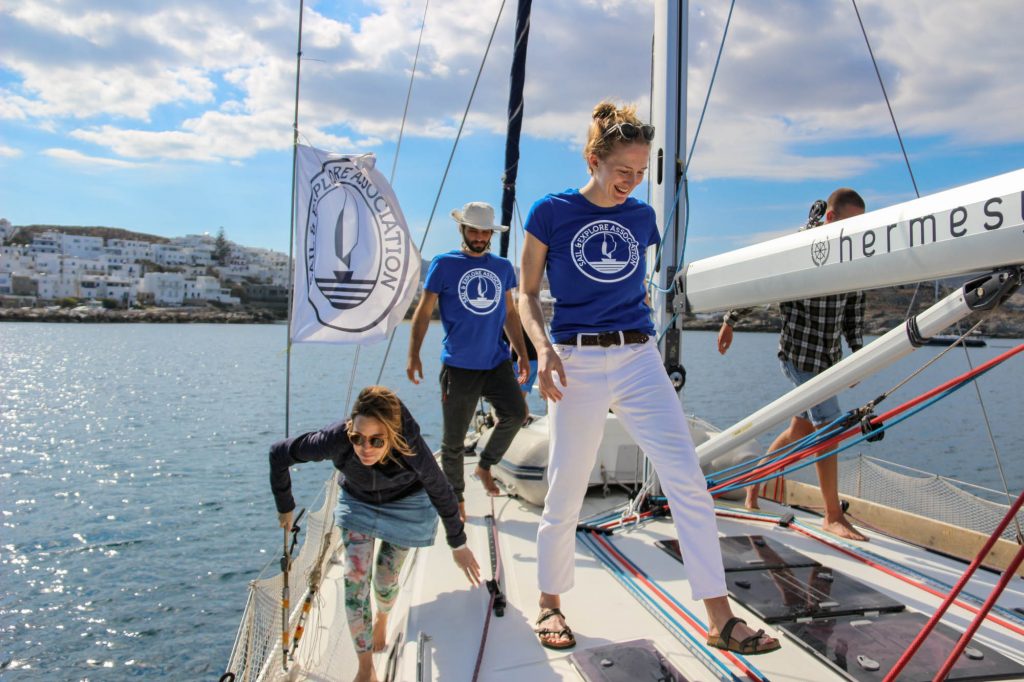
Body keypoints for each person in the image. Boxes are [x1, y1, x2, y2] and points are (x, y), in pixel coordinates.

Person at [518, 100, 780, 655]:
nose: (631, 184)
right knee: (565, 485)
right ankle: (549, 604)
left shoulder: (642, 218)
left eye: (640, 175)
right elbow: (526, 292)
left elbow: (637, 289)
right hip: (576, 360)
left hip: (639, 359)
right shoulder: (550, 212)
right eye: (622, 173)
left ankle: (719, 617)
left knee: (687, 479)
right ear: (594, 159)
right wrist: (542, 351)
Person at [269, 385, 481, 682]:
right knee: (354, 579)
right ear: (349, 429)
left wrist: (459, 545)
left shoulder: (411, 448)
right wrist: (285, 505)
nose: (365, 448)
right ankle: (366, 665)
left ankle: (383, 615)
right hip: (358, 502)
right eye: (358, 438)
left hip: (407, 504)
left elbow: (440, 490)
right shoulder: (335, 440)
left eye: (376, 440)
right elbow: (279, 454)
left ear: (392, 435)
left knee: (385, 580)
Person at [716, 188, 868, 542]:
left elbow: (854, 312)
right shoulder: (800, 248)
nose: (857, 232)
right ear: (831, 218)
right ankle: (832, 516)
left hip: (829, 359)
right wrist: (730, 319)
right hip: (799, 356)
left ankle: (753, 489)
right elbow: (765, 285)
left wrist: (858, 355)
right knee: (829, 426)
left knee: (800, 431)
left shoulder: (855, 255)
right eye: (852, 223)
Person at [407, 201, 530, 520]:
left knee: (516, 414)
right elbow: (423, 311)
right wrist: (413, 353)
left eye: (484, 231)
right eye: (473, 230)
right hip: (459, 366)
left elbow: (510, 314)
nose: (478, 236)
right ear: (463, 229)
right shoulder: (443, 264)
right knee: (453, 441)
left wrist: (521, 352)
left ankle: (485, 466)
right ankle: (456, 498)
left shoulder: (502, 267)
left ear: (491, 234)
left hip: (496, 362)